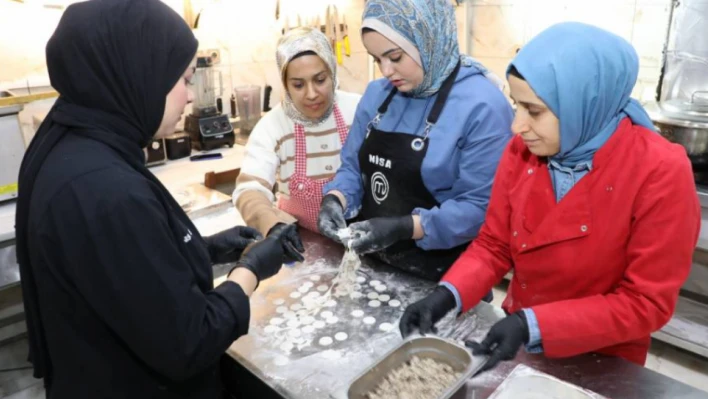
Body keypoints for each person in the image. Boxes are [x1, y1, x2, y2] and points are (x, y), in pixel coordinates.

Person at [14, 1, 292, 397]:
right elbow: (189, 341)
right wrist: (249, 271)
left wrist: (208, 249)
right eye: (183, 80)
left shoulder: (74, 139)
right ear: (138, 75)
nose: (191, 97)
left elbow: (126, 269)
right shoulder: (104, 188)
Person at [399, 22, 700, 373]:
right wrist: (448, 294)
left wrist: (534, 325)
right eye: (517, 105)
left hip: (603, 359)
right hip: (519, 338)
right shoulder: (521, 151)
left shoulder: (660, 171)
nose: (517, 126)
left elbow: (645, 303)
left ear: (582, 104)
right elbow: (495, 244)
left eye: (535, 111)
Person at [317, 0, 513, 281]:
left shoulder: (483, 106)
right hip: (371, 264)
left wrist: (405, 227)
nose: (386, 71)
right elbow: (352, 168)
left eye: (395, 57)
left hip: (445, 276)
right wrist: (336, 198)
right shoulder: (377, 95)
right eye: (377, 59)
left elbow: (479, 207)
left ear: (427, 39)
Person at [233, 27, 361, 260]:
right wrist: (271, 225)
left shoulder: (359, 111)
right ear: (285, 84)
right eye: (298, 85)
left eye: (320, 80)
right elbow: (249, 189)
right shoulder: (272, 126)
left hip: (360, 243)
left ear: (332, 72)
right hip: (302, 249)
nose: (311, 94)